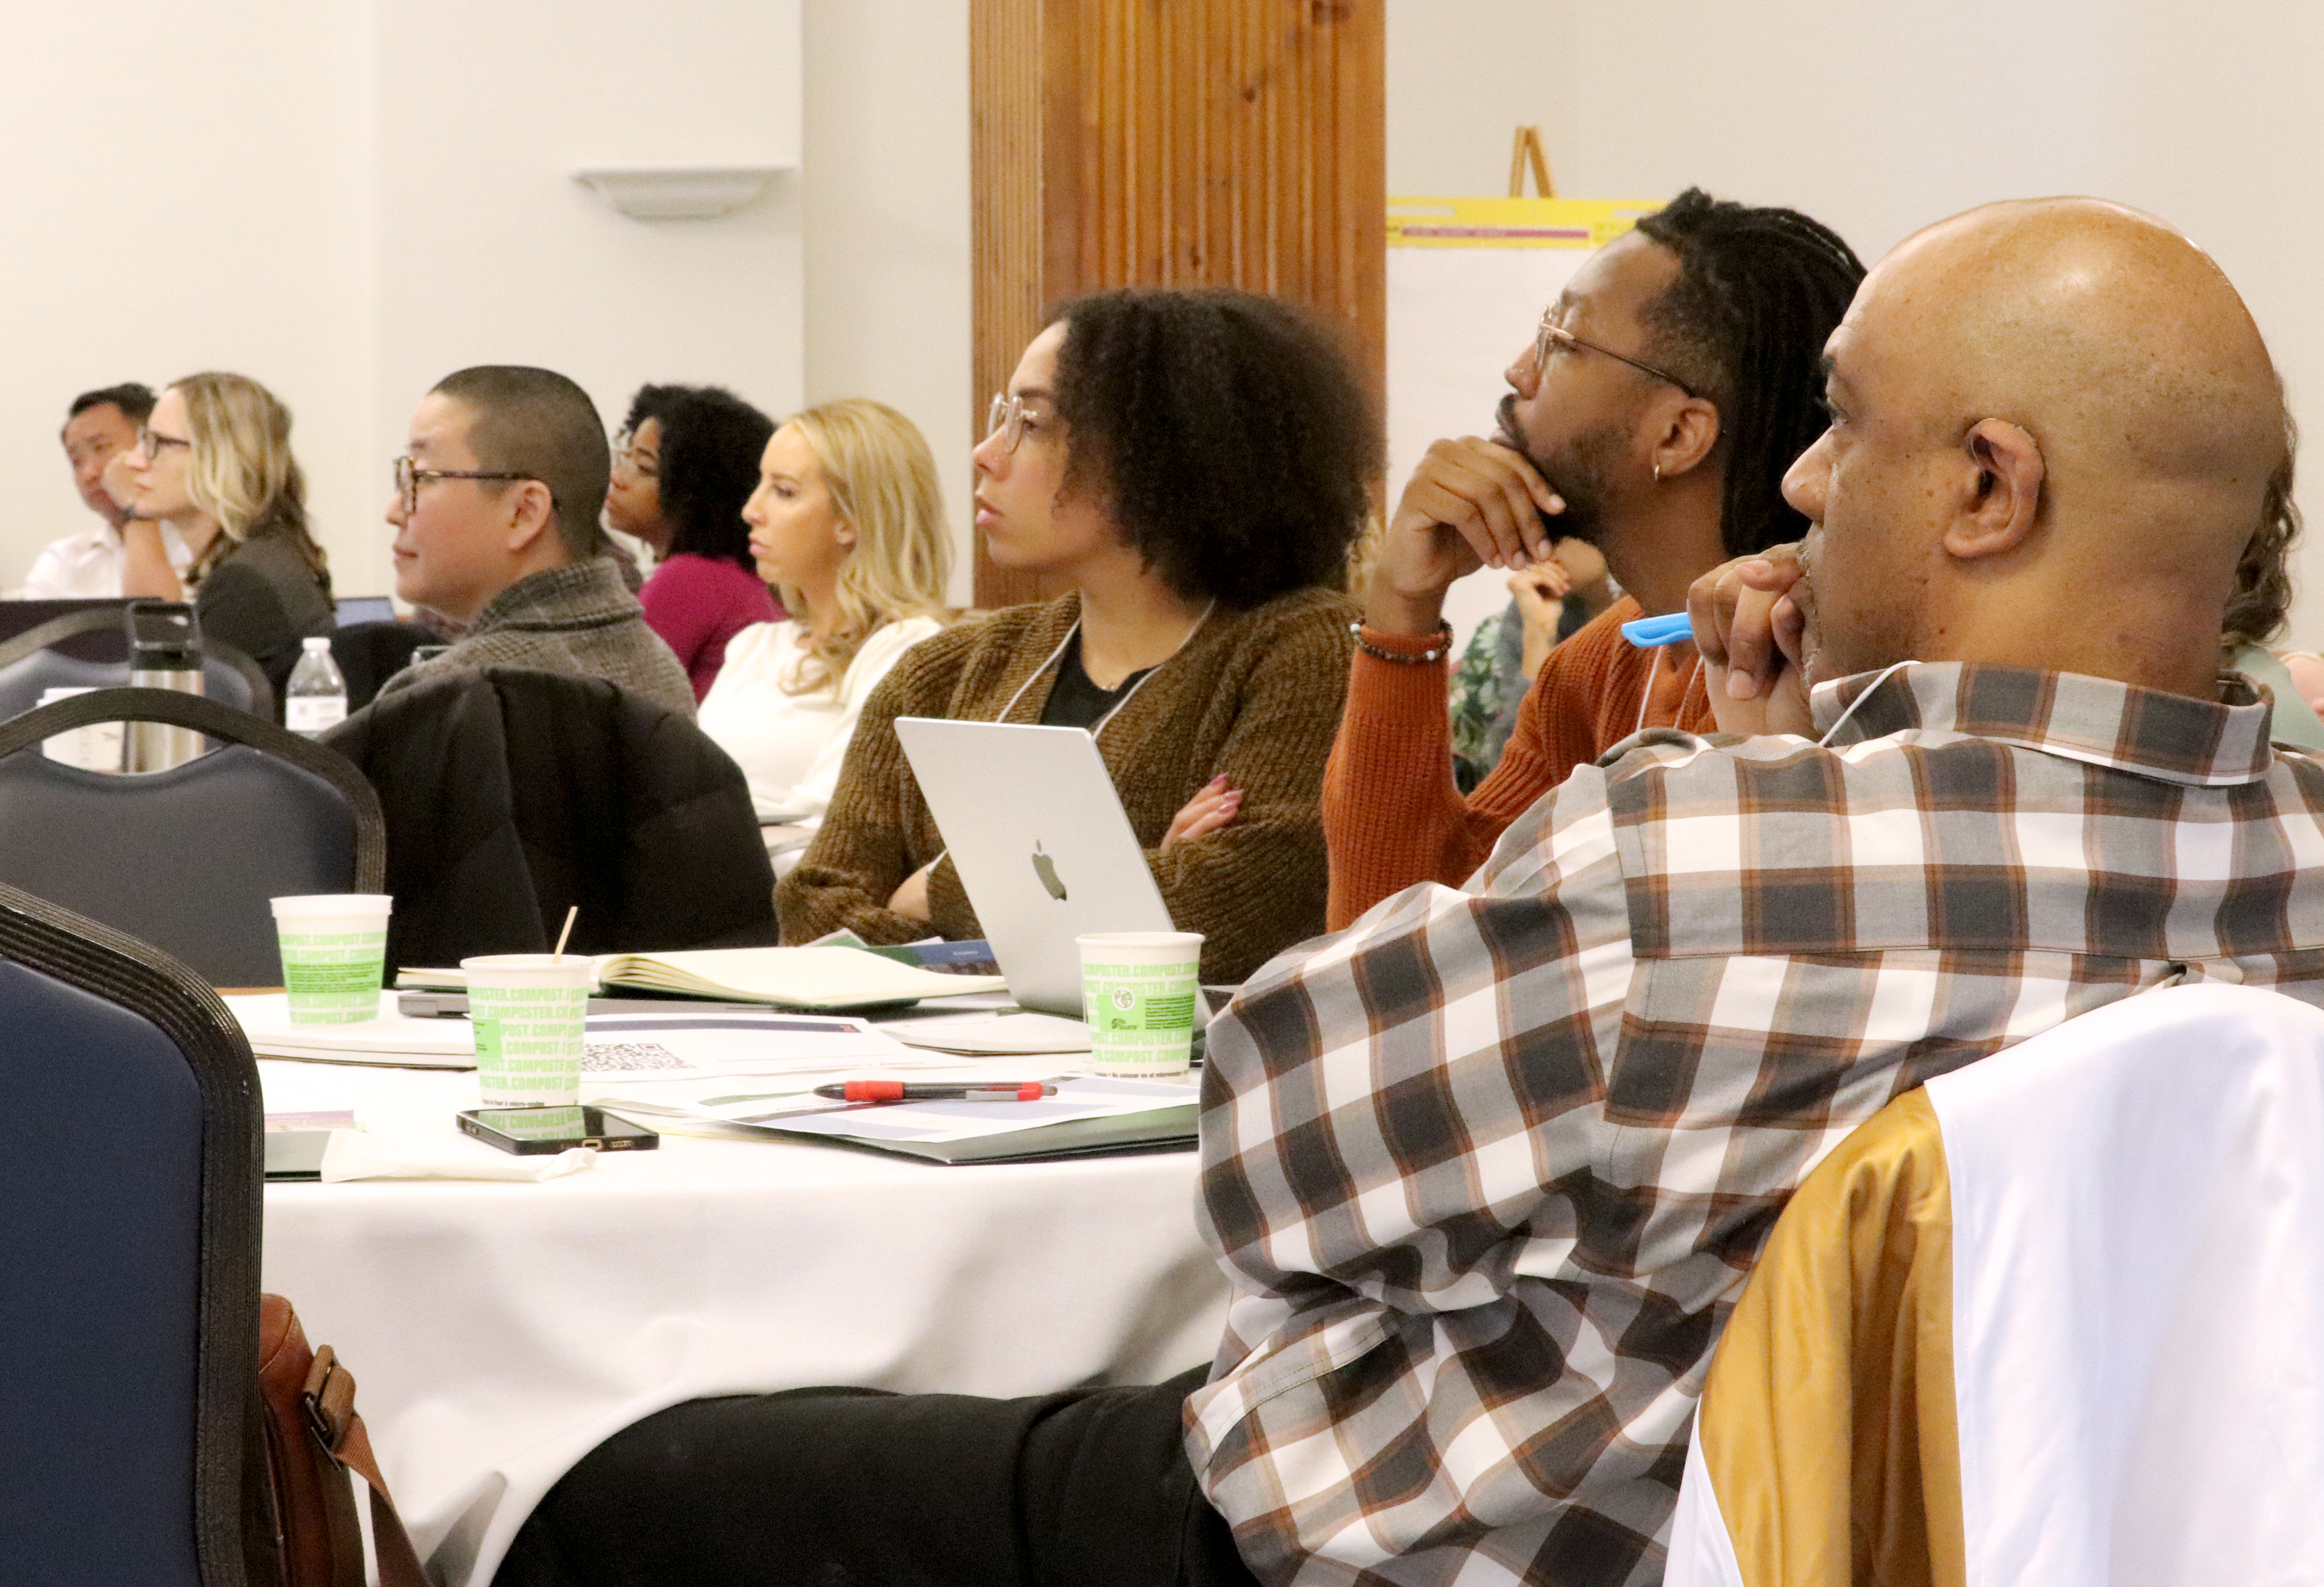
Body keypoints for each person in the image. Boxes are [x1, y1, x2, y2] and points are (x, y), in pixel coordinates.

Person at [494, 198, 2324, 1587]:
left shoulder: (1709, 856)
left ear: (1985, 487)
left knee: (628, 1490)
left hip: (1428, 1534)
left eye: (1841, 427)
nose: (1795, 475)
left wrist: (1731, 767)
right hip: (1958, 1527)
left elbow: (1270, 1154)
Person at [773, 288, 1375, 985]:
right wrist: (1124, 876)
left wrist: (935, 889)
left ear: (1164, 452)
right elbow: (814, 914)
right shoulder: (944, 670)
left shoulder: (1305, 649)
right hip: (930, 1079)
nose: (984, 453)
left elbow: (1229, 911)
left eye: (1029, 423)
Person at [1323, 189, 1863, 929]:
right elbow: (1393, 941)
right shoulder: (1594, 668)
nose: (1518, 371)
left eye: (1560, 341)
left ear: (1676, 435)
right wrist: (1400, 607)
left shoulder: (1807, 661)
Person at [693, 399, 950, 840]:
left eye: (784, 491)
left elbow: (829, 829)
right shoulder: (754, 646)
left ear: (850, 519)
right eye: (761, 484)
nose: (751, 510)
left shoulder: (908, 649)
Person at [377, 364, 695, 719]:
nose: (394, 510)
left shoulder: (444, 696)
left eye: (420, 477)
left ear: (524, 513)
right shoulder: (660, 672)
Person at [117, 372, 337, 690]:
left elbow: (195, 724)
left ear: (221, 456)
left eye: (156, 443)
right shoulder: (265, 558)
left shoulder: (245, 585)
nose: (135, 461)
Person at [607, 384, 785, 699]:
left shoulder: (690, 578)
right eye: (626, 457)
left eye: (645, 468)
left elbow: (615, 704)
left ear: (697, 489)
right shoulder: (749, 576)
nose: (618, 478)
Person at [1445, 539, 1610, 790]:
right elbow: (1509, 783)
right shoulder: (1523, 619)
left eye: (1559, 528)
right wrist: (1538, 640)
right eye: (1530, 531)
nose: (1540, 549)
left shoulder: (1663, 605)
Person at [24, 384, 196, 599]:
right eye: (76, 461)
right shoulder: (63, 559)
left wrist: (137, 507)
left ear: (151, 446)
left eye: (101, 448)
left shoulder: (202, 543)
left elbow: (159, 626)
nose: (89, 473)